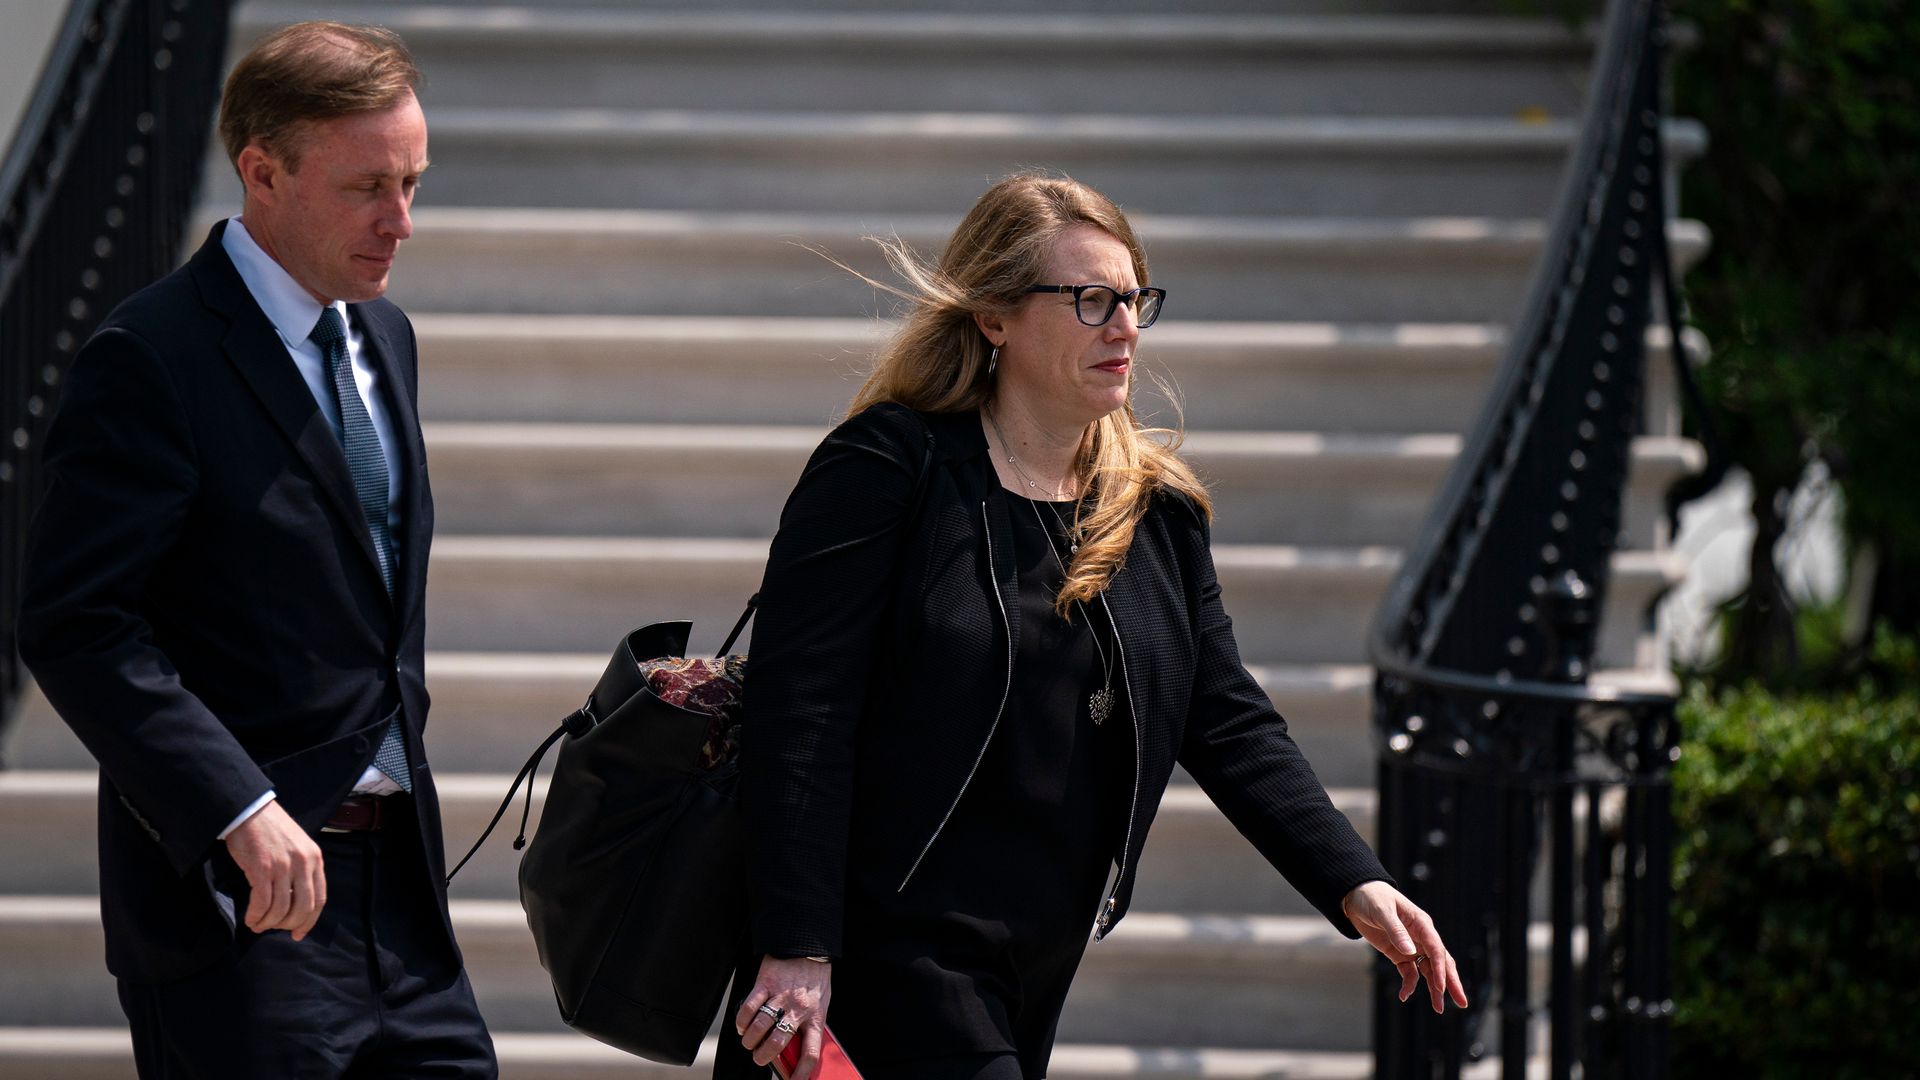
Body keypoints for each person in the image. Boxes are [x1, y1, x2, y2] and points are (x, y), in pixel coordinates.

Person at [718, 174, 1469, 1080]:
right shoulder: (888, 470)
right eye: (1090, 300)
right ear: (994, 316)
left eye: (1134, 298)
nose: (1125, 328)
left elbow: (1224, 714)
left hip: (1037, 956)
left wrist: (1353, 880)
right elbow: (803, 708)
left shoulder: (1152, 512)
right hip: (888, 943)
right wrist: (799, 942)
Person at [16, 22, 497, 1079]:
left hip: (403, 909)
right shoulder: (149, 357)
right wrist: (236, 806)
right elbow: (77, 625)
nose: (401, 221)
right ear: (262, 172)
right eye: (369, 186)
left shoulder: (386, 338)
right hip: (236, 912)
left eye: (413, 182)